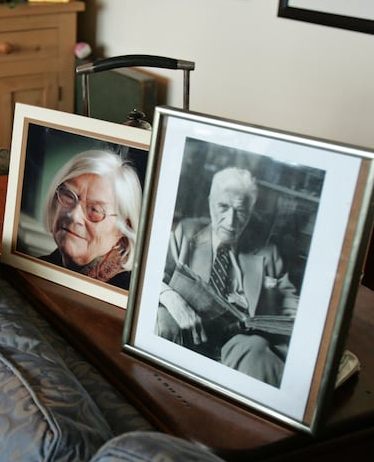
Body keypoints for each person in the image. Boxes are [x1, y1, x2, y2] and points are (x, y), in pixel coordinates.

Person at [156, 167, 299, 387]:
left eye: (240, 211)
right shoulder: (185, 233)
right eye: (223, 207)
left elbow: (292, 312)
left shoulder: (268, 254)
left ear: (250, 211)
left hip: (240, 342)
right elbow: (149, 275)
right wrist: (170, 297)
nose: (231, 222)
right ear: (210, 202)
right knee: (161, 319)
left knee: (256, 350)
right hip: (190, 330)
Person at [39, 149, 142, 289]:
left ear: (123, 228)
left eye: (95, 210)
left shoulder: (125, 292)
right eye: (69, 196)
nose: (74, 215)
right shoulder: (38, 267)